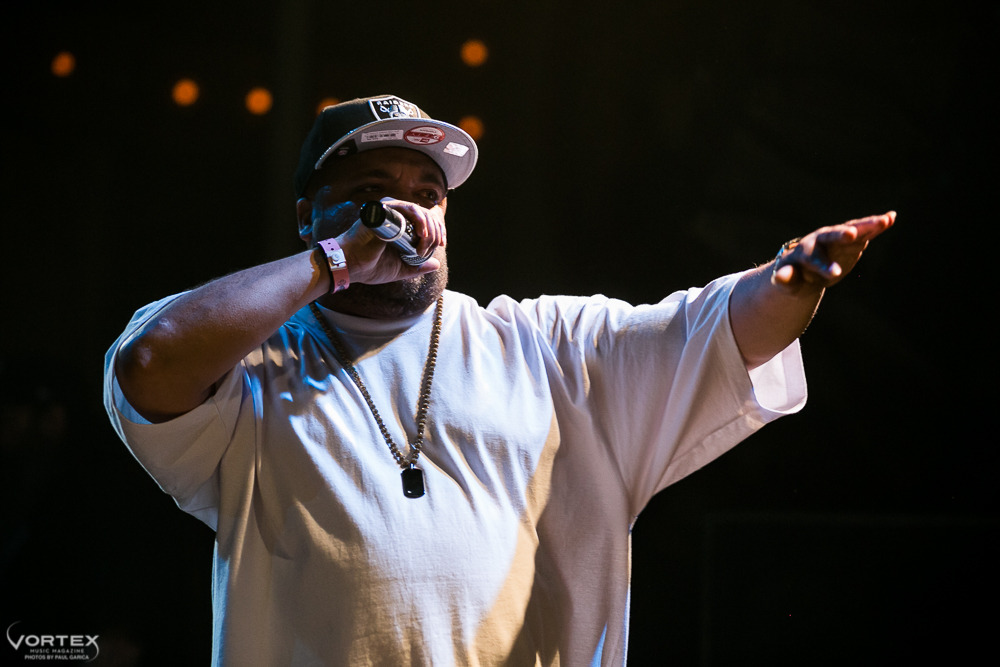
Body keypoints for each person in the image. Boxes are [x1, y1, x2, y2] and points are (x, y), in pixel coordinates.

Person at [103, 94, 894, 666]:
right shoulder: (258, 362)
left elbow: (715, 328)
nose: (408, 217)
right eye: (372, 195)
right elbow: (150, 362)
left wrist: (794, 280)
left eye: (426, 195)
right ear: (311, 214)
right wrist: (337, 261)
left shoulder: (543, 343)